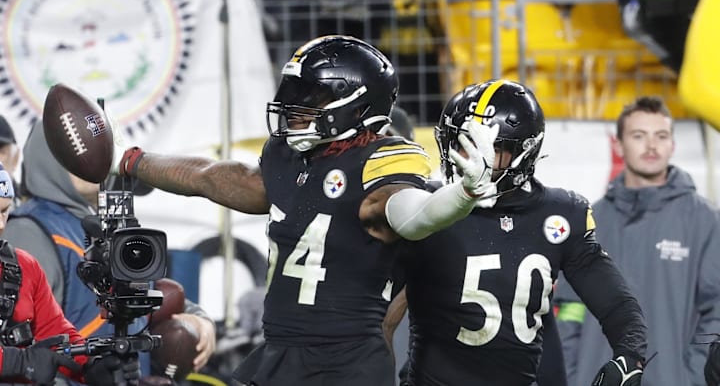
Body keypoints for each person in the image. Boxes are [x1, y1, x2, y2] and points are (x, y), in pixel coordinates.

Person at [112, 34, 498, 386]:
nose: (293, 107)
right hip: (281, 351)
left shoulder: (383, 160)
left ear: (355, 103)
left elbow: (409, 214)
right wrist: (130, 160)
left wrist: (463, 194)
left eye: (311, 96)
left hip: (344, 362)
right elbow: (209, 176)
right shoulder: (289, 158)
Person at [383, 80, 648, 386]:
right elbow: (370, 310)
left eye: (491, 149)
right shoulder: (426, 207)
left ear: (524, 152)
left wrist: (630, 356)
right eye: (463, 144)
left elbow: (616, 303)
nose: (474, 160)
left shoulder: (559, 215)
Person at [5, 122, 217, 383]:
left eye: (101, 151)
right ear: (50, 155)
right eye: (80, 152)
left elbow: (145, 294)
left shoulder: (108, 227)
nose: (93, 161)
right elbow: (21, 357)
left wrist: (199, 321)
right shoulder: (29, 232)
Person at [554, 96, 720, 386]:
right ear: (618, 145)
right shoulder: (591, 220)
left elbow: (716, 311)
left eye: (661, 136)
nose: (651, 146)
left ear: (672, 145)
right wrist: (571, 375)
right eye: (639, 136)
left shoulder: (705, 221)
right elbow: (571, 309)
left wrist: (693, 377)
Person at [0, 162, 139, 385]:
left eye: (4, 211)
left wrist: (91, 366)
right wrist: (17, 362)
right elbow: (24, 361)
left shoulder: (24, 266)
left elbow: (55, 330)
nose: (0, 223)